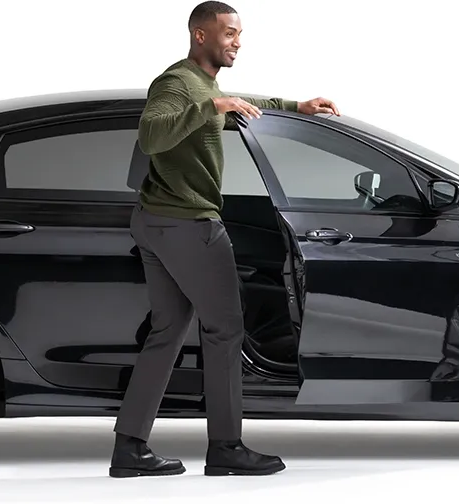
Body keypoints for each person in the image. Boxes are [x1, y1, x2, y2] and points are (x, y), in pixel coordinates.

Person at [109, 0, 339, 478]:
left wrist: (294, 106)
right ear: (200, 35)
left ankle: (129, 448)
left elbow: (242, 100)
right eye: (230, 33)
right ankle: (226, 447)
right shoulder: (176, 84)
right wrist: (210, 107)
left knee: (168, 330)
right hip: (188, 223)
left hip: (159, 219)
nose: (237, 41)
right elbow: (152, 134)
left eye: (239, 34)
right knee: (226, 329)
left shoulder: (204, 84)